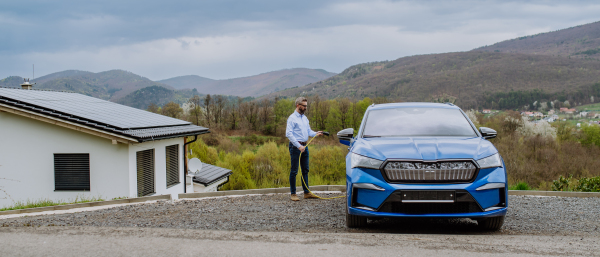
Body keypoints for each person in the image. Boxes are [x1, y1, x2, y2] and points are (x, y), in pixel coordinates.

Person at [285, 97, 323, 201]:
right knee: (294, 171)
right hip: (295, 147)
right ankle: (293, 194)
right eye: (304, 106)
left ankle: (307, 193)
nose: (306, 107)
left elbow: (308, 131)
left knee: (305, 170)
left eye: (306, 105)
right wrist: (298, 146)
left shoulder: (304, 118)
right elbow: (288, 134)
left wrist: (316, 133)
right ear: (298, 105)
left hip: (305, 146)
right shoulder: (292, 118)